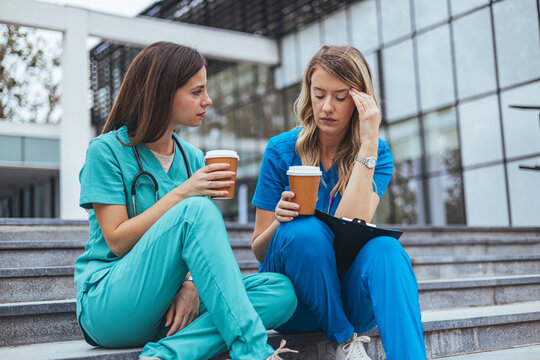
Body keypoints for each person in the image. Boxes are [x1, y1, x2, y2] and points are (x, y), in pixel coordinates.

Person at [74, 41, 298, 360]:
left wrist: (191, 283)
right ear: (162, 93)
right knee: (196, 210)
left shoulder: (192, 158)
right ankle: (253, 351)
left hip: (170, 311)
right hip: (111, 303)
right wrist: (184, 193)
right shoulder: (106, 151)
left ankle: (166, 354)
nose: (207, 100)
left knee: (280, 292)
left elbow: (200, 249)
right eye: (196, 92)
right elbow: (116, 241)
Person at [251, 45, 427, 360]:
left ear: (360, 101)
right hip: (294, 302)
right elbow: (259, 250)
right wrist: (280, 220)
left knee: (387, 250)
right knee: (304, 231)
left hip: (349, 299)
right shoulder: (280, 149)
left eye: (340, 97)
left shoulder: (378, 151)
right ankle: (345, 339)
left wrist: (368, 143)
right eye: (319, 95)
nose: (327, 107)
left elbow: (350, 227)